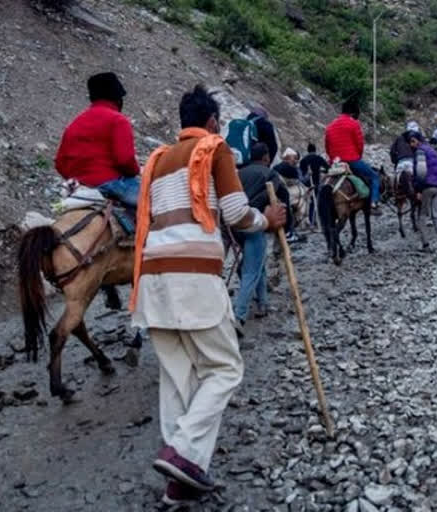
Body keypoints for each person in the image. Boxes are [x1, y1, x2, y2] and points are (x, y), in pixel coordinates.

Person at [130, 85, 286, 506]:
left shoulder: (158, 160)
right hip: (194, 277)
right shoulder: (215, 150)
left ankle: (177, 484)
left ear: (183, 121)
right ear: (214, 123)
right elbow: (235, 214)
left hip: (152, 279)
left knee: (176, 378)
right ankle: (183, 453)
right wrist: (267, 218)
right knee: (225, 368)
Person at [55, 72, 140, 207]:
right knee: (155, 206)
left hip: (78, 188)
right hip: (110, 184)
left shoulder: (74, 123)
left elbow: (60, 163)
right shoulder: (118, 120)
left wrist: (79, 177)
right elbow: (125, 159)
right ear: (118, 99)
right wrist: (136, 171)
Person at [234, 142, 283, 326]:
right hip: (256, 224)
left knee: (258, 264)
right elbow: (278, 197)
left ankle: (263, 303)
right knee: (251, 271)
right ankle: (239, 315)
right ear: (266, 157)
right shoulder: (271, 174)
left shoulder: (239, 173)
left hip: (235, 224)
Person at [324, 98, 381, 214]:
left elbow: (327, 146)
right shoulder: (354, 123)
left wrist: (332, 160)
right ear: (353, 113)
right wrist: (358, 157)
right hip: (351, 160)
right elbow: (360, 144)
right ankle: (374, 203)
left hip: (335, 163)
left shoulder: (330, 126)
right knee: (374, 177)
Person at [407, 131, 437, 254]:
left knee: (422, 216)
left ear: (417, 141)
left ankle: (426, 244)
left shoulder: (420, 152)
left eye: (412, 142)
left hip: (427, 186)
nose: (411, 145)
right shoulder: (433, 151)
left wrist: (418, 189)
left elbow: (420, 172)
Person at [272, 148, 304, 242]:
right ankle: (291, 230)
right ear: (288, 157)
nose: (294, 160)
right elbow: (298, 181)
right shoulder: (290, 169)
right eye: (293, 158)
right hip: (285, 192)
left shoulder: (276, 167)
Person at [299, 143, 329, 226]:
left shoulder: (303, 160)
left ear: (308, 150)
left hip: (305, 185)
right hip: (316, 183)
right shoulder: (318, 158)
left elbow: (300, 174)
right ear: (315, 150)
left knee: (307, 202)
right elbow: (327, 168)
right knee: (315, 201)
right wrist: (321, 171)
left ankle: (309, 220)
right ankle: (314, 220)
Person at [389, 121, 419, 198]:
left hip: (401, 163)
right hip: (411, 163)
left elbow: (392, 151)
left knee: (395, 180)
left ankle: (394, 194)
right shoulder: (417, 139)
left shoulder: (399, 138)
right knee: (419, 181)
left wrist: (395, 160)